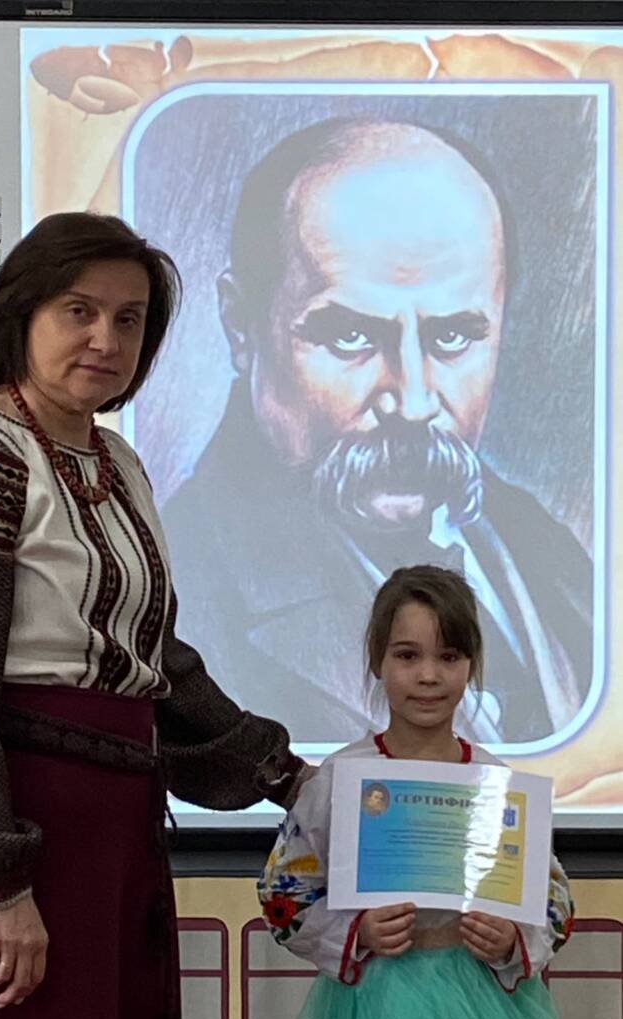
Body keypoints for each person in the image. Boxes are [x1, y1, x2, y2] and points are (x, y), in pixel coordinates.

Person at [0, 212, 311, 1019]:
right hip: (13, 825)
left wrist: (283, 776)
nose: (105, 340)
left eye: (129, 319)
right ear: (23, 315)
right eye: (78, 311)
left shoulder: (119, 463)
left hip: (111, 829)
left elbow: (153, 661)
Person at [162, 117, 593, 746]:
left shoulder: (548, 555)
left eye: (453, 337)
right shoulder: (185, 591)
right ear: (241, 326)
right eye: (351, 336)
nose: (413, 403)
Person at [258, 564, 573, 1019]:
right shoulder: (340, 780)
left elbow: (553, 899)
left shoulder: (497, 784)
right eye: (407, 656)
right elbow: (283, 894)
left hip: (481, 999)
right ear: (377, 661)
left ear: (471, 664)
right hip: (372, 999)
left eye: (449, 657)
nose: (428, 675)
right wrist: (358, 932)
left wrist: (510, 941)